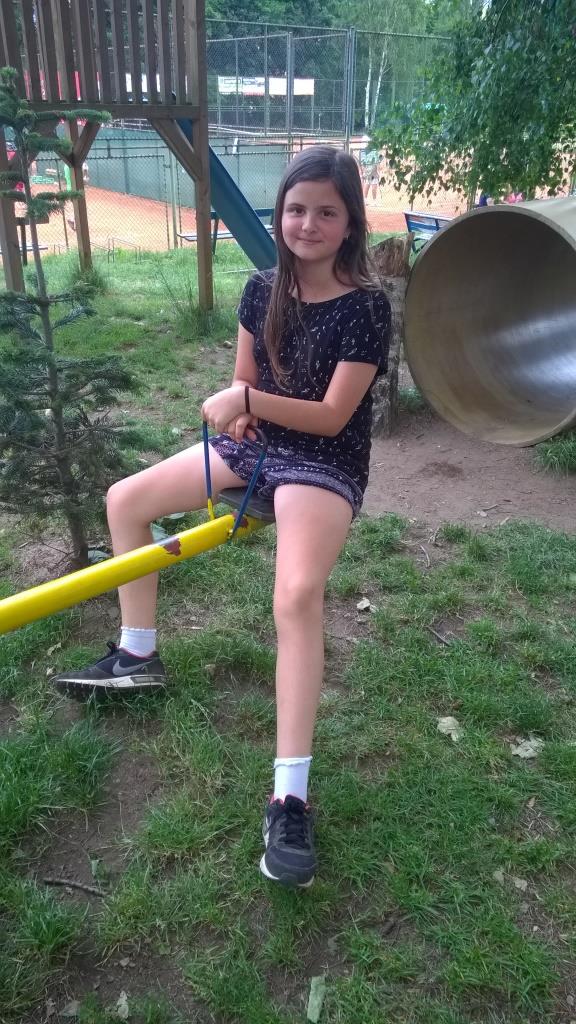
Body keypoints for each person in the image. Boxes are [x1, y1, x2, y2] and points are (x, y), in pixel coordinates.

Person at [52, 145, 391, 888]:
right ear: (280, 214)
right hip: (258, 447)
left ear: (350, 224)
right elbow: (243, 381)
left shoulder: (366, 306)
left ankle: (289, 798)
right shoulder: (260, 290)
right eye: (295, 209)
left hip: (323, 462)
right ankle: (138, 655)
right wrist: (240, 412)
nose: (307, 224)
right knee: (124, 499)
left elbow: (333, 417)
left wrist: (245, 402)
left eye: (326, 212)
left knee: (295, 595)